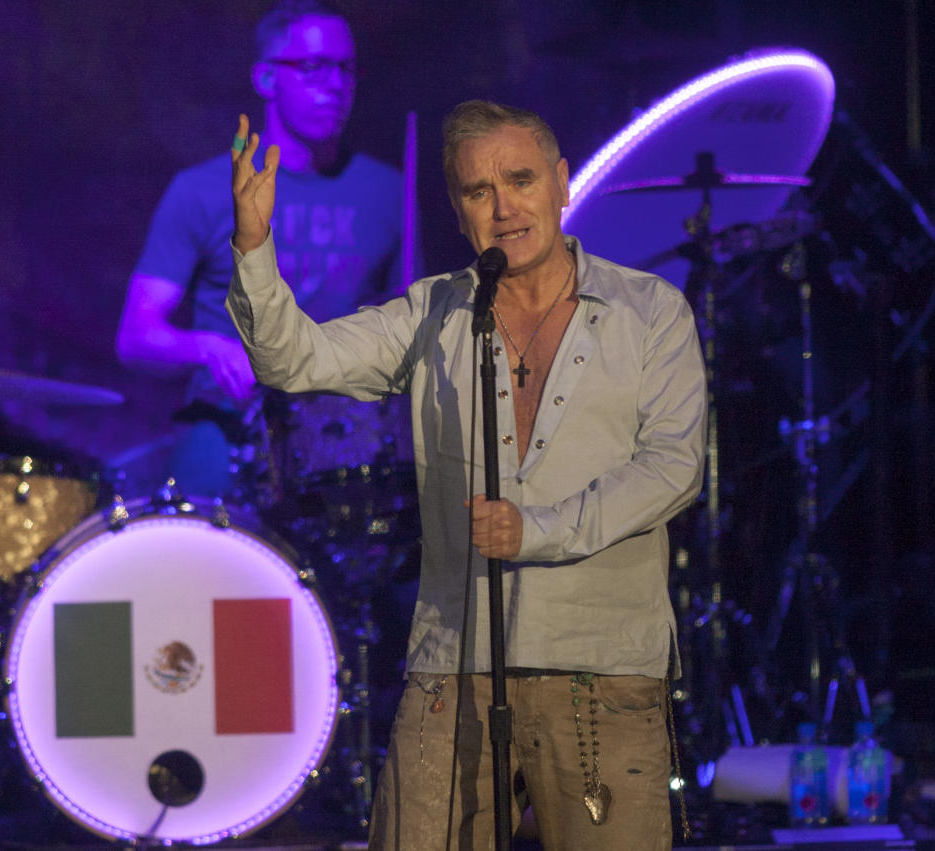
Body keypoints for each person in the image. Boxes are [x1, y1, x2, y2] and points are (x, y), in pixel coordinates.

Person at [227, 100, 708, 849]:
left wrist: (536, 530)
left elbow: (674, 466)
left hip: (602, 670)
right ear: (457, 211)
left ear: (561, 182)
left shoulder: (651, 313)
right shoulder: (434, 313)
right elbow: (293, 358)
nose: (504, 207)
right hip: (455, 667)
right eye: (478, 191)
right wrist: (255, 245)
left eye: (519, 180)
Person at [115, 0, 407, 498]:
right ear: (268, 79)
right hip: (230, 435)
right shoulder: (202, 191)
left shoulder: (388, 192)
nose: (335, 84)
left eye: (346, 69)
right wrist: (208, 348)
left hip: (345, 446)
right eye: (314, 67)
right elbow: (137, 335)